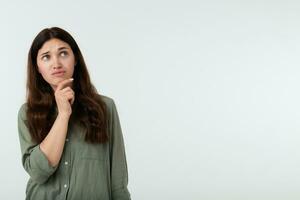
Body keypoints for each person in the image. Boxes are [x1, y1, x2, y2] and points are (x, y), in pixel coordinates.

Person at [17, 27, 131, 200]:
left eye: (63, 53)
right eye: (46, 57)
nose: (56, 63)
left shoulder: (105, 107)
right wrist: (63, 115)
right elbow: (37, 172)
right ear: (38, 67)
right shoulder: (28, 113)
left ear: (75, 58)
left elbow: (118, 179)